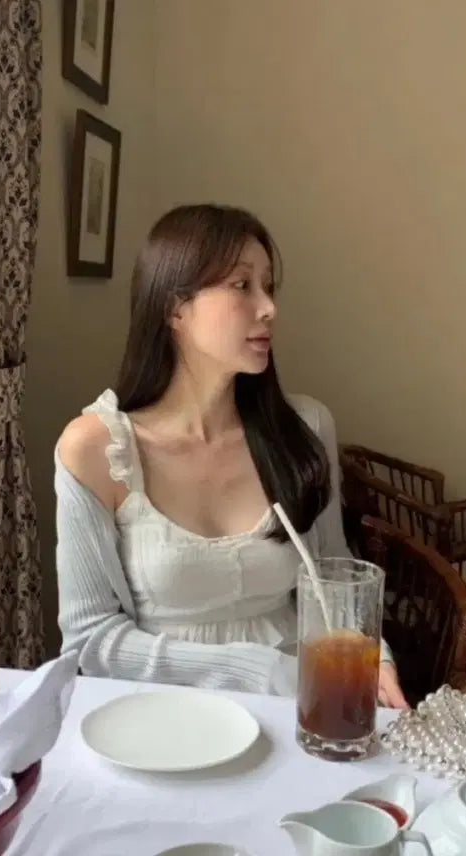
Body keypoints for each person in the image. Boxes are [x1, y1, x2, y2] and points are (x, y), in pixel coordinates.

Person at [55, 204, 408, 708]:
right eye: (242, 285)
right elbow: (90, 641)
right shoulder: (96, 449)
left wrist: (374, 658)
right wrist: (256, 669)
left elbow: (332, 579)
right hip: (159, 715)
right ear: (175, 308)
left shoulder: (305, 429)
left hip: (298, 708)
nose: (269, 308)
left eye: (269, 286)